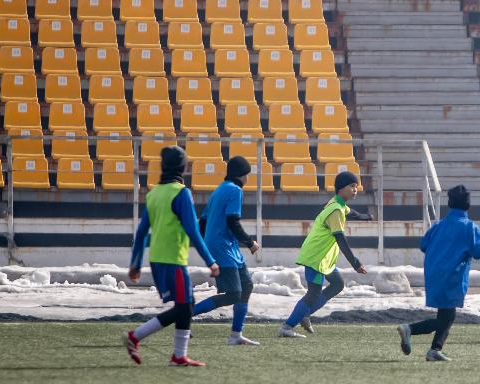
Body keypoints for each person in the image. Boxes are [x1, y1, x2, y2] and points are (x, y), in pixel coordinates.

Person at [124, 146, 221, 367]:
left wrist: (135, 264)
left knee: (187, 304)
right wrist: (210, 261)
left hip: (157, 259)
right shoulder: (181, 193)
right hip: (173, 260)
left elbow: (140, 233)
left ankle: (178, 355)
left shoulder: (153, 193)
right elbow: (193, 230)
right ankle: (136, 337)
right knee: (184, 307)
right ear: (183, 167)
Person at [397, 185, 480, 362]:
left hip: (433, 272)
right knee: (448, 317)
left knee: (445, 314)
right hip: (452, 275)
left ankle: (434, 350)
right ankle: (411, 329)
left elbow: (423, 245)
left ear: (449, 203)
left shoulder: (439, 225)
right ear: (468, 205)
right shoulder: (470, 227)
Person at [278, 170, 371, 339]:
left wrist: (366, 216)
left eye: (356, 186)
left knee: (337, 284)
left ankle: (305, 314)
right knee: (313, 293)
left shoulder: (339, 204)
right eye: (352, 186)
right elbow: (340, 239)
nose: (355, 189)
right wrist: (355, 262)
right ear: (341, 188)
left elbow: (351, 212)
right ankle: (287, 326)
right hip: (316, 257)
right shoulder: (335, 210)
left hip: (324, 259)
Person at [192, 155, 261, 346]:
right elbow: (233, 221)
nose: (248, 179)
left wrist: (206, 244)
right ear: (241, 175)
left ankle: (236, 334)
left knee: (246, 287)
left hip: (226, 248)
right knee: (234, 294)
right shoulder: (235, 190)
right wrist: (249, 242)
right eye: (247, 175)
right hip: (224, 249)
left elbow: (203, 222)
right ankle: (185, 316)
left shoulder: (218, 190)